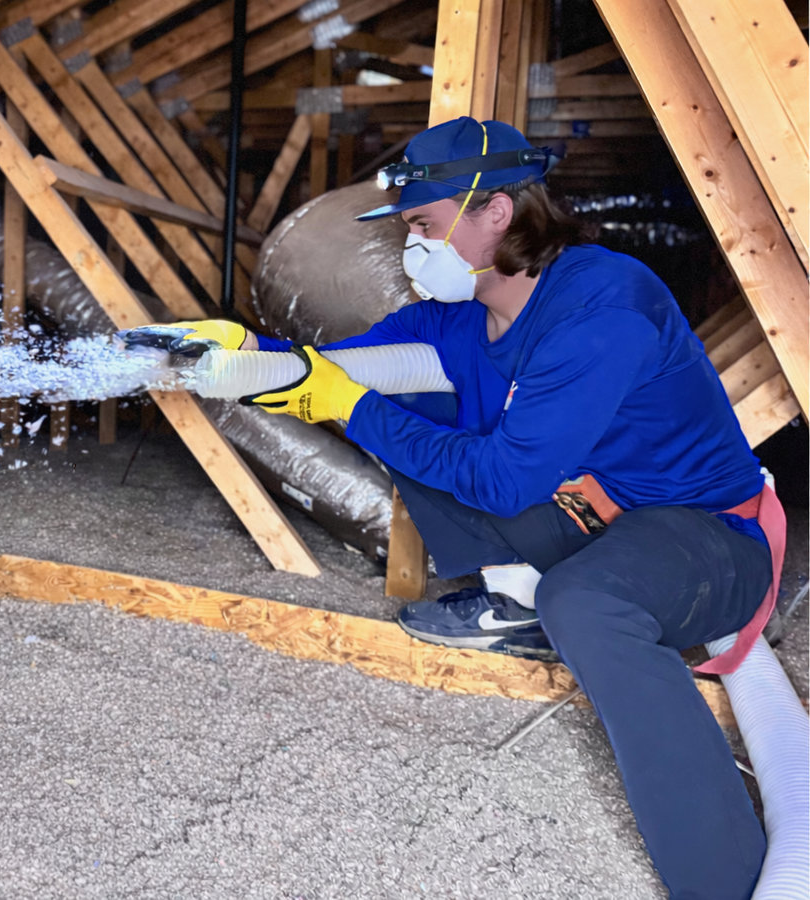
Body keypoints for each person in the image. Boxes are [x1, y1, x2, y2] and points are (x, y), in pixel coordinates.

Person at [135, 117, 784, 899]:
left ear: (496, 213)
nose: (412, 249)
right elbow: (341, 370)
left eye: (423, 226)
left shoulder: (603, 309)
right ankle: (519, 603)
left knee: (584, 600)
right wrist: (238, 350)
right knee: (415, 427)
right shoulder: (455, 317)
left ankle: (722, 880)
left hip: (712, 543)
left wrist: (352, 405)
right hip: (592, 517)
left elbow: (505, 482)